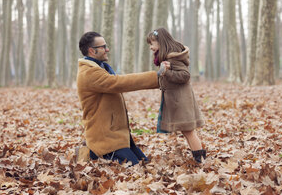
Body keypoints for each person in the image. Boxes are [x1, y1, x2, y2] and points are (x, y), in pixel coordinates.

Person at [75, 31, 167, 166]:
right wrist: (156, 77)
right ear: (92, 51)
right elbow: (118, 82)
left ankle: (94, 153)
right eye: (103, 46)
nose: (107, 49)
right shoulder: (88, 72)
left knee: (144, 163)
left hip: (116, 135)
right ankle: (93, 152)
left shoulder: (101, 67)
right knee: (135, 168)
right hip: (105, 139)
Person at [147, 28, 206, 163]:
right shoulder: (167, 58)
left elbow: (185, 76)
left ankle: (200, 160)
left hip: (181, 100)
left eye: (152, 43)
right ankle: (199, 158)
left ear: (161, 42)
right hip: (176, 99)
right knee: (187, 131)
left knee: (189, 131)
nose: (151, 47)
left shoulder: (172, 58)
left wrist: (166, 72)